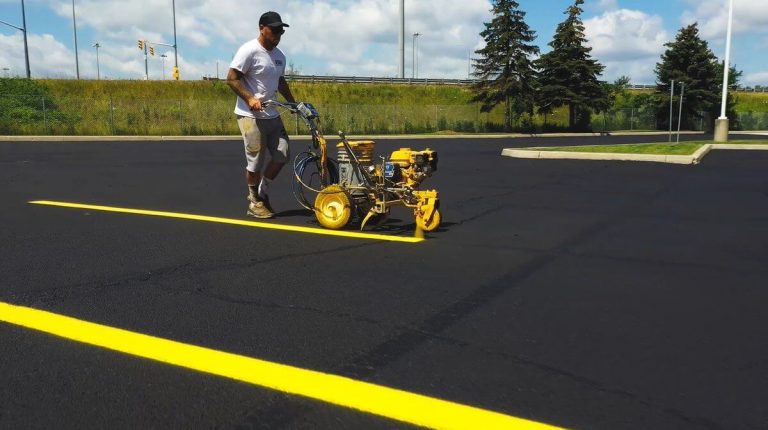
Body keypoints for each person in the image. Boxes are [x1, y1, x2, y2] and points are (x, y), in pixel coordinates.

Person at [226, 11, 296, 219]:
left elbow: (280, 81)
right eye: (274, 30)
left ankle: (262, 193)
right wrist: (250, 98)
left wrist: (292, 101)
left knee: (282, 154)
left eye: (280, 31)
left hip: (272, 113)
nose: (278, 34)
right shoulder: (249, 50)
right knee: (255, 160)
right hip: (250, 115)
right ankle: (253, 200)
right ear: (262, 28)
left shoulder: (279, 56)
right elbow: (231, 79)